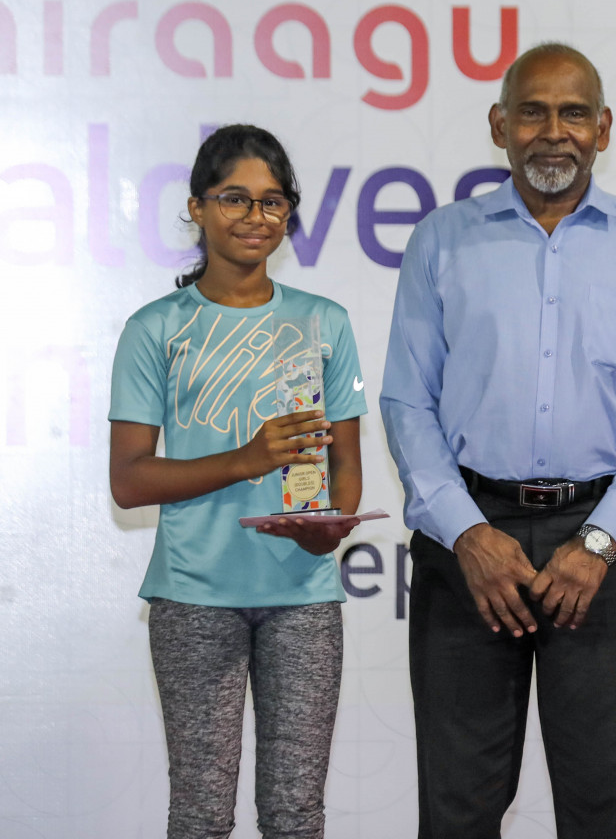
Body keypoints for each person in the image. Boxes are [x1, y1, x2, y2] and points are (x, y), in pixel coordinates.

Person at [380, 43, 616, 839]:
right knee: (457, 809)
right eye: (532, 111)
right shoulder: (442, 240)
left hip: (605, 555)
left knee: (601, 809)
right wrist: (468, 534)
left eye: (573, 112)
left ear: (604, 128)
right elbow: (406, 401)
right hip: (469, 552)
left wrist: (597, 543)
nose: (553, 132)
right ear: (499, 126)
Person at [108, 124, 369, 839]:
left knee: (294, 813)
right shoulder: (155, 329)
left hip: (304, 597)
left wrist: (330, 525)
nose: (257, 217)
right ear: (196, 207)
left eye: (274, 202)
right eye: (235, 199)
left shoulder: (326, 323)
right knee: (200, 813)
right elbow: (129, 481)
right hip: (195, 596)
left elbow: (346, 467)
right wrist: (247, 460)